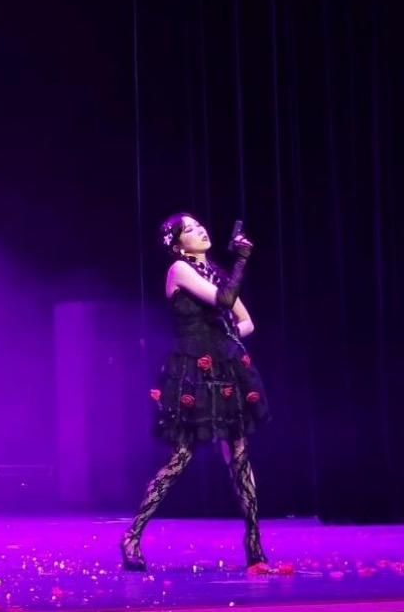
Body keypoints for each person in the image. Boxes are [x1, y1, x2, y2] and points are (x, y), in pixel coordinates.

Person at [120, 213, 271, 572]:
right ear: (176, 244)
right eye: (189, 229)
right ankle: (132, 536)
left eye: (199, 225)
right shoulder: (179, 270)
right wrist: (242, 260)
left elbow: (247, 321)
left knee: (239, 453)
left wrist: (224, 340)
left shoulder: (214, 270)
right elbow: (224, 298)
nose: (200, 230)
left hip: (224, 368)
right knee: (182, 456)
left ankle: (253, 542)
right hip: (192, 372)